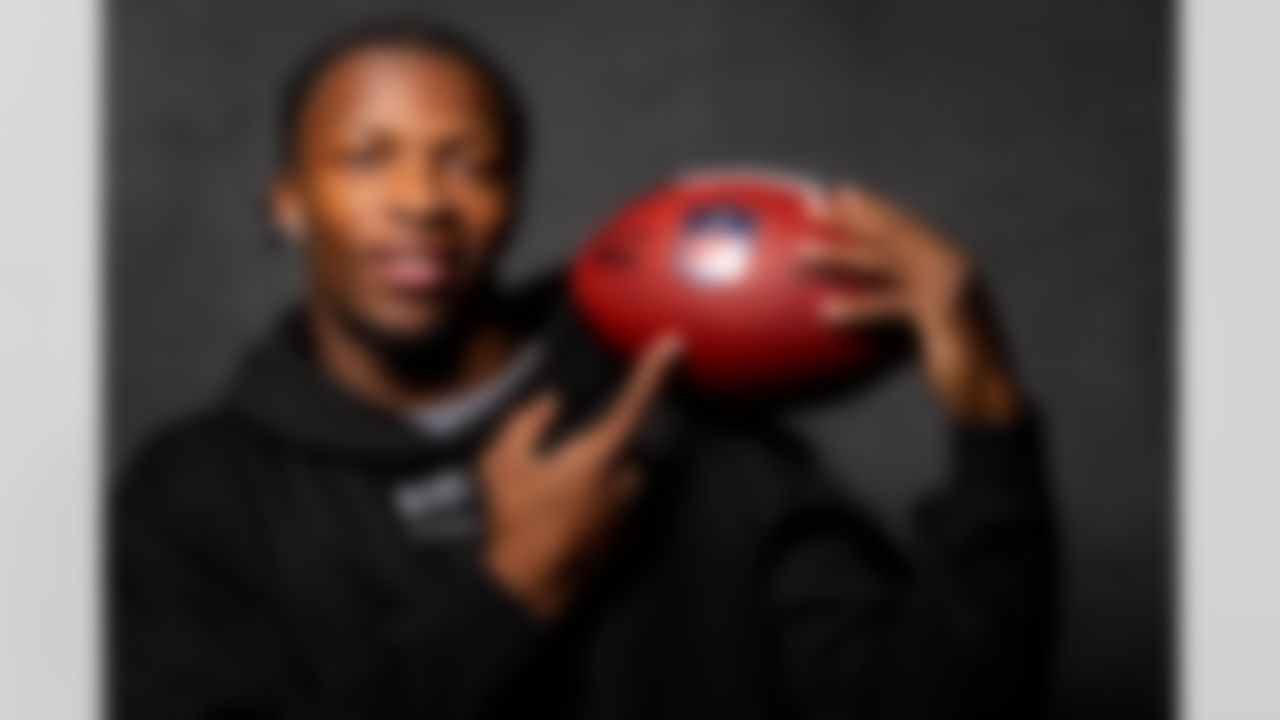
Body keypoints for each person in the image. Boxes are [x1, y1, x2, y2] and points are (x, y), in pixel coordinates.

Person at [110, 20, 1055, 720]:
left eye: (471, 164)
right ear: (288, 201)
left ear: (514, 197)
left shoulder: (683, 416)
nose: (421, 200)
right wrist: (510, 593)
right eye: (365, 159)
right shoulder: (197, 492)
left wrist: (989, 429)